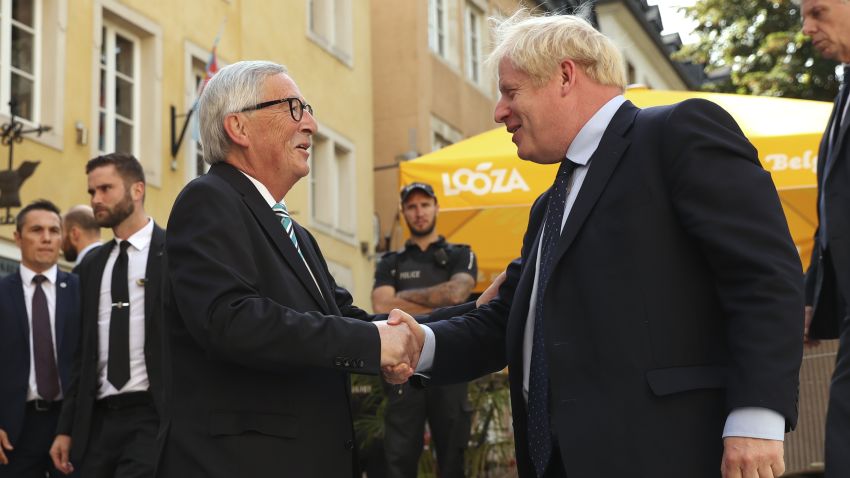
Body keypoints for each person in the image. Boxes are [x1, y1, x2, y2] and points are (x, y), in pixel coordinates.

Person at [387, 9, 805, 478]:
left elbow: (764, 274)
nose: (499, 111)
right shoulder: (549, 204)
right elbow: (509, 321)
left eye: (510, 91)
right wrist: (413, 342)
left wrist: (757, 420)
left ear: (565, 76)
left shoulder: (675, 133)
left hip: (666, 454)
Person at [157, 60, 469, 478]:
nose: (312, 125)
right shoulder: (208, 198)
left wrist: (471, 317)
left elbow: (351, 321)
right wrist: (374, 343)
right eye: (293, 107)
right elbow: (231, 320)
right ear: (239, 127)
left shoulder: (296, 234)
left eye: (308, 108)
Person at [50, 153, 166, 477]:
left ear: (137, 190)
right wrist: (66, 428)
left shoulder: (173, 253)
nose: (96, 199)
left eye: (105, 189)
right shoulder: (90, 266)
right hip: (97, 421)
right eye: (91, 192)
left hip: (152, 416)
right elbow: (79, 354)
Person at [373, 182, 477, 478]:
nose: (419, 212)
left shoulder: (461, 254)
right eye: (412, 206)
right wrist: (436, 297)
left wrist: (402, 298)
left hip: (450, 358)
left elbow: (457, 294)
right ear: (404, 212)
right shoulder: (390, 262)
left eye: (425, 205)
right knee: (399, 456)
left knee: (453, 454)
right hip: (402, 365)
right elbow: (380, 301)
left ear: (436, 207)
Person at [800, 1, 850, 476]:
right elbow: (832, 212)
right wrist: (813, 294)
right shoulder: (844, 92)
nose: (806, 27)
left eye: (817, 11)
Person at [0, 200, 80, 478]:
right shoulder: (1, 291)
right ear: (18, 238)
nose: (47, 238)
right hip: (12, 429)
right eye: (36, 230)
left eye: (54, 230)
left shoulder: (80, 290)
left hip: (69, 426)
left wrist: (72, 426)